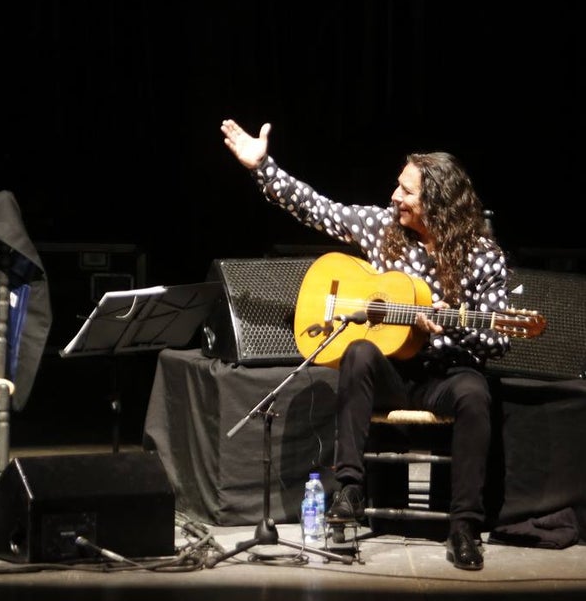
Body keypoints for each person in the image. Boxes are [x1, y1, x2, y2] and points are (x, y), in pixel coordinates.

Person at [220, 118, 513, 571]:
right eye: (398, 187)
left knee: (476, 394)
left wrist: (449, 330)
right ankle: (350, 490)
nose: (394, 196)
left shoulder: (481, 255)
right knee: (357, 351)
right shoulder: (383, 230)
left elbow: (498, 340)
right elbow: (318, 208)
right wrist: (263, 167)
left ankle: (464, 527)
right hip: (392, 372)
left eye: (406, 191)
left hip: (445, 373)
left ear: (436, 202)